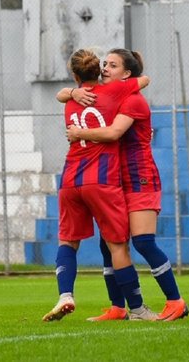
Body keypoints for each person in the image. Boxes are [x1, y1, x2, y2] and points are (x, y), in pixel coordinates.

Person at [59, 49, 189, 322]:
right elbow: (62, 95)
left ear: (127, 74)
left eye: (113, 65)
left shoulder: (131, 101)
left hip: (139, 177)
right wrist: (71, 92)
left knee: (142, 242)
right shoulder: (108, 96)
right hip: (117, 178)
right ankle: (118, 308)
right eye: (104, 63)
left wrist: (78, 132)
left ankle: (176, 301)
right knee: (110, 244)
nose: (105, 68)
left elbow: (113, 133)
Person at [42, 48, 156, 322]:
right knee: (117, 246)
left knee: (67, 242)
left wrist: (70, 92)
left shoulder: (70, 102)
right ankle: (138, 309)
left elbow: (60, 95)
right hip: (102, 179)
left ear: (73, 74)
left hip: (70, 179)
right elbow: (144, 80)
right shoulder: (113, 93)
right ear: (99, 71)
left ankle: (65, 295)